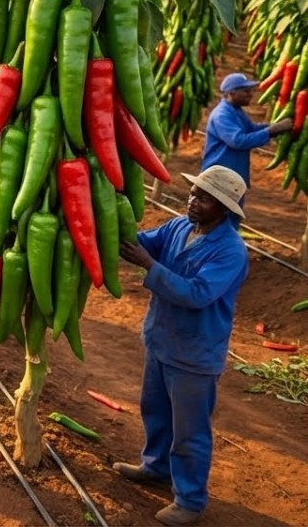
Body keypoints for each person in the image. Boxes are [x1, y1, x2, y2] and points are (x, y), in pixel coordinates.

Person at [114, 165, 250, 527]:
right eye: (194, 194)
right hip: (162, 339)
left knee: (190, 429)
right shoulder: (179, 227)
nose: (193, 202)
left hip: (195, 353)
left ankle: (190, 499)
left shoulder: (231, 251)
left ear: (223, 209)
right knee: (155, 410)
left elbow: (198, 294)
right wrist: (109, 218)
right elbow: (145, 242)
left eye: (204, 199)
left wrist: (148, 266)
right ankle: (156, 467)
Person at [201, 73, 291, 214]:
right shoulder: (222, 115)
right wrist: (271, 131)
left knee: (229, 216)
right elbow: (238, 141)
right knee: (217, 217)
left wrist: (273, 126)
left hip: (233, 175)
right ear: (232, 93)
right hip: (220, 178)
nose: (251, 94)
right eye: (246, 91)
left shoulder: (236, 111)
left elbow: (251, 129)